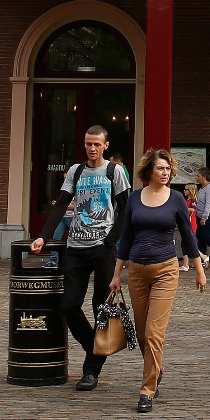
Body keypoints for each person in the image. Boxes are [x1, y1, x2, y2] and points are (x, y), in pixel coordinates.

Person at [29, 125, 130, 391]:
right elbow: (62, 203)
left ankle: (91, 371)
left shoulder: (114, 171)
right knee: (69, 305)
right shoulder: (76, 171)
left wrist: (112, 240)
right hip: (75, 246)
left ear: (105, 145)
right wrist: (44, 237)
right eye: (88, 144)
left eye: (97, 144)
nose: (92, 148)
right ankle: (94, 347)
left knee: (100, 307)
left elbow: (125, 208)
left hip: (102, 248)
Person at [114, 148, 206, 413]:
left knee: (155, 333)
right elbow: (127, 237)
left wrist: (199, 270)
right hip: (137, 272)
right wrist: (117, 273)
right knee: (143, 334)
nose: (165, 173)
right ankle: (156, 370)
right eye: (161, 169)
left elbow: (188, 237)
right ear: (149, 171)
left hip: (166, 270)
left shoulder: (176, 199)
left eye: (168, 169)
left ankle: (147, 390)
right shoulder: (134, 198)